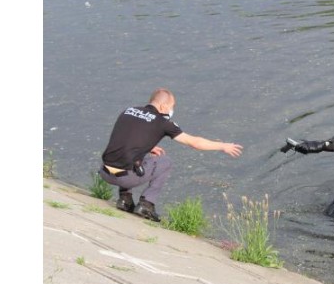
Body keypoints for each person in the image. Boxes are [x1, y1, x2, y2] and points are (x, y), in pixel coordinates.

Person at [99, 88, 243, 222]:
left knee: (134, 156)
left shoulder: (129, 111)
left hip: (104, 172)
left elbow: (127, 137)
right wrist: (223, 146)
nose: (171, 110)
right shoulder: (163, 123)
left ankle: (125, 200)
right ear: (163, 107)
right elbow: (195, 143)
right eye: (171, 106)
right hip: (126, 178)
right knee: (164, 162)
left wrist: (148, 147)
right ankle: (146, 204)